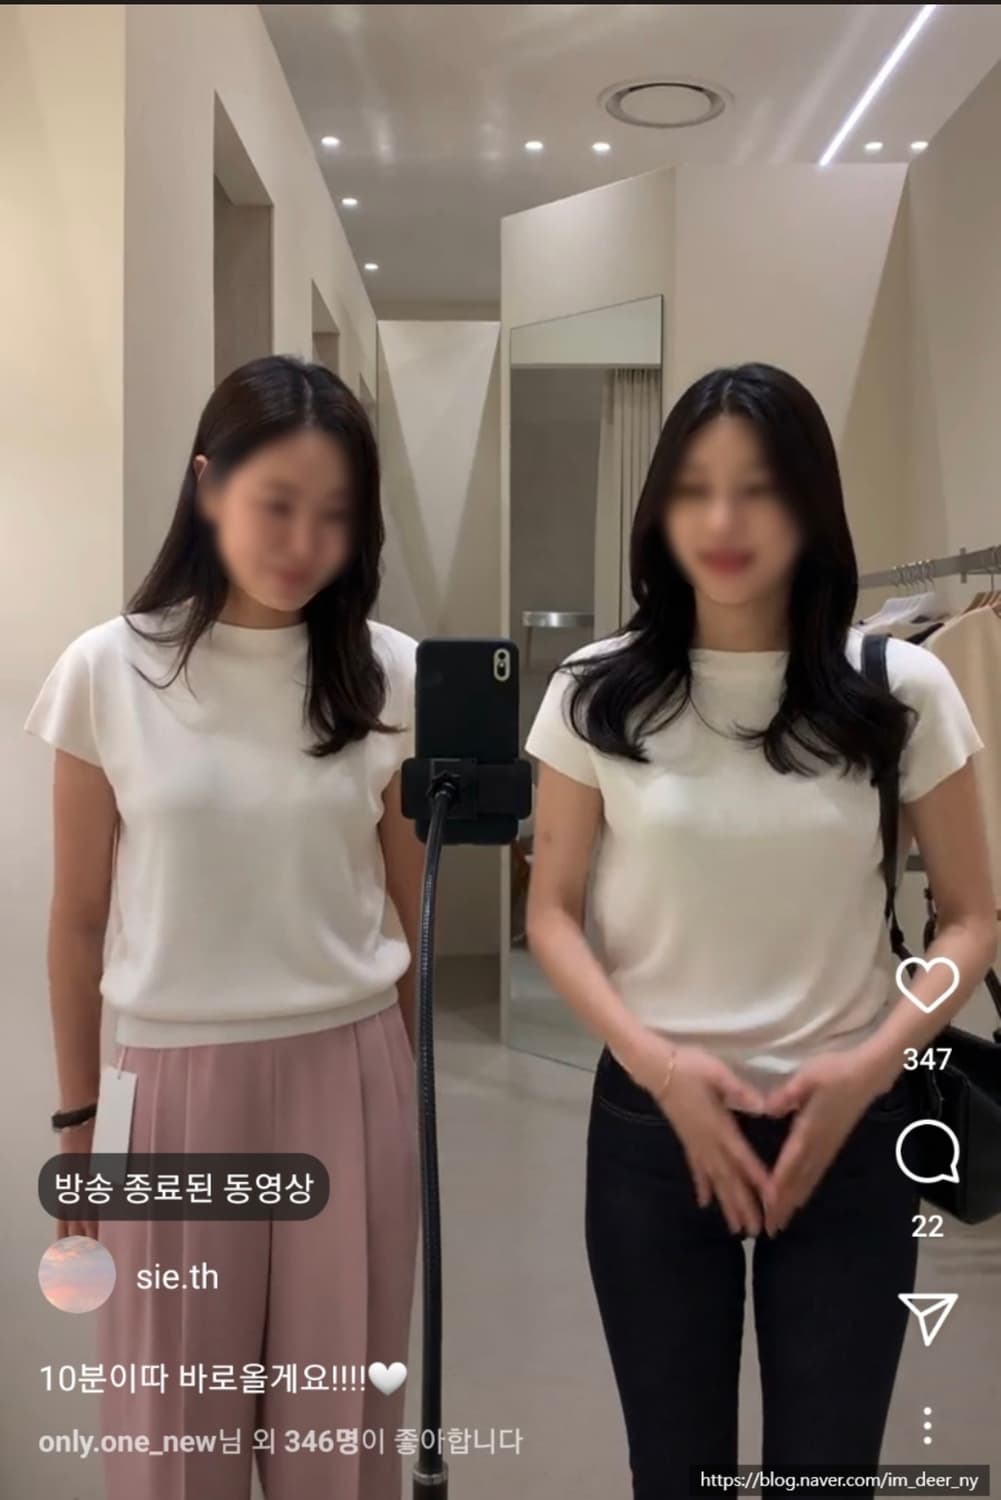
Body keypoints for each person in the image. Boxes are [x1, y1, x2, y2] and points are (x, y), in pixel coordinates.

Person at [523, 364, 997, 1498]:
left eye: (759, 489)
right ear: (658, 509)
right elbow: (551, 914)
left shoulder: (899, 688)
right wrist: (661, 1069)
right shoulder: (594, 691)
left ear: (810, 506)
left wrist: (868, 1066)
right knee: (670, 1469)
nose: (723, 521)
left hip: (850, 1125)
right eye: (694, 488)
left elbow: (971, 918)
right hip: (651, 1125)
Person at [25, 355, 423, 1500]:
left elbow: (411, 909)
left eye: (333, 515)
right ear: (207, 485)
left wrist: (404, 1097)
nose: (303, 541)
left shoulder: (388, 677)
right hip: (168, 1092)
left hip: (350, 1074)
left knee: (337, 1448)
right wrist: (77, 1128)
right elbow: (78, 922)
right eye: (274, 504)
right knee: (172, 1446)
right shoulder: (109, 670)